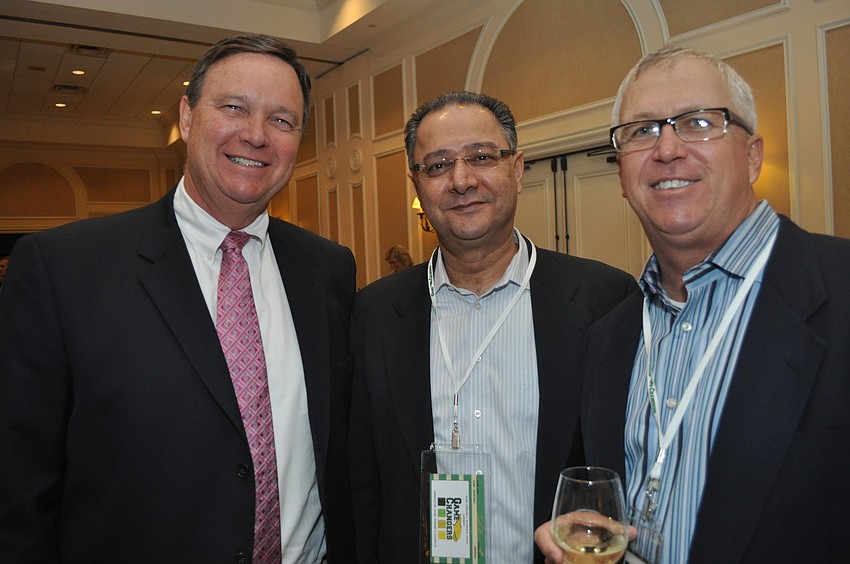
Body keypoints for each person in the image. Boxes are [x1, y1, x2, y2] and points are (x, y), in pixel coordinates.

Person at [0, 35, 356, 562]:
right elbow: (19, 487)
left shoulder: (329, 268)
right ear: (187, 117)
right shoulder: (64, 269)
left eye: (282, 120)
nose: (256, 134)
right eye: (234, 107)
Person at [535, 46, 850, 563]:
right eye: (642, 130)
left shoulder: (838, 292)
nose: (667, 148)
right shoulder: (608, 337)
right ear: (622, 176)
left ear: (753, 155)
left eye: (699, 122)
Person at [349, 90, 637, 563]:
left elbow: (621, 464)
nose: (462, 180)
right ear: (417, 184)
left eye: (481, 157)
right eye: (438, 166)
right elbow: (363, 482)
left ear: (517, 169)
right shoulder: (375, 313)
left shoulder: (604, 299)